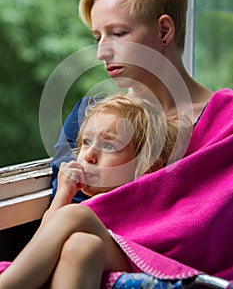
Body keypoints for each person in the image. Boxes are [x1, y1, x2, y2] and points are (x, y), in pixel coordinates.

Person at [47, 0, 233, 285]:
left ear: (163, 32)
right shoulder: (89, 119)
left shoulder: (226, 123)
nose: (102, 51)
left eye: (118, 33)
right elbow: (68, 217)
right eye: (97, 37)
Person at [0, 93, 184, 289]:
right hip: (101, 251)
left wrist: (70, 209)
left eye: (108, 145)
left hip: (139, 259)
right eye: (86, 142)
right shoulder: (85, 210)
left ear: (147, 167)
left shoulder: (150, 201)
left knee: (76, 215)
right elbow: (39, 246)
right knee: (82, 246)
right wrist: (63, 194)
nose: (89, 156)